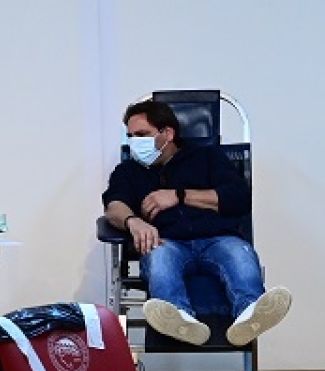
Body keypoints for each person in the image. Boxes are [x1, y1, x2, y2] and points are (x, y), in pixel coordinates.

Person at [102, 99, 291, 346]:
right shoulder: (127, 171)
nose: (134, 142)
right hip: (166, 241)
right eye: (130, 136)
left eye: (142, 135)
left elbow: (239, 197)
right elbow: (114, 206)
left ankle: (249, 315)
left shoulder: (208, 157)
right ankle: (180, 320)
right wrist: (132, 221)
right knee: (159, 260)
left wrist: (178, 195)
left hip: (218, 239)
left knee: (239, 254)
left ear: (167, 133)